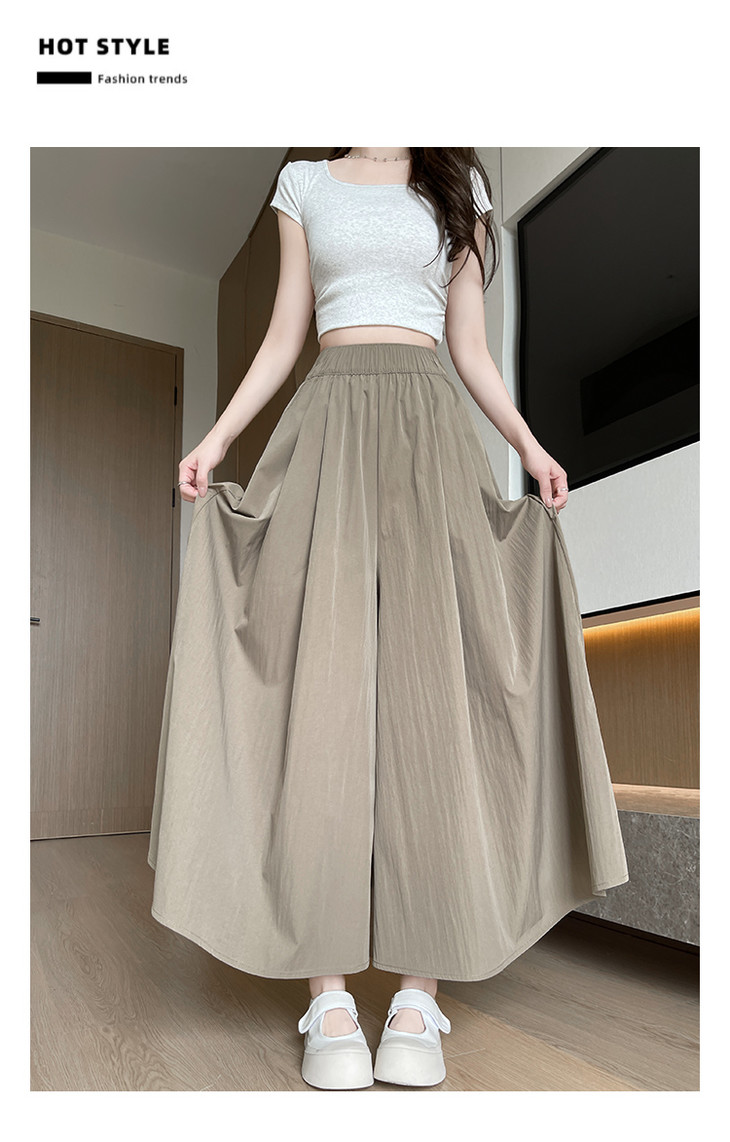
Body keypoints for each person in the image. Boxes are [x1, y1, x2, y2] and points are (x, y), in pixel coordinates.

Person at [147, 147, 629, 1092]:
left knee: (429, 701)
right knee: (321, 702)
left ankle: (417, 994)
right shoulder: (303, 184)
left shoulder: (459, 187)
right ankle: (327, 994)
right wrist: (217, 439)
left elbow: (470, 349)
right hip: (325, 426)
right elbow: (285, 337)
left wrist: (530, 447)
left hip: (429, 431)